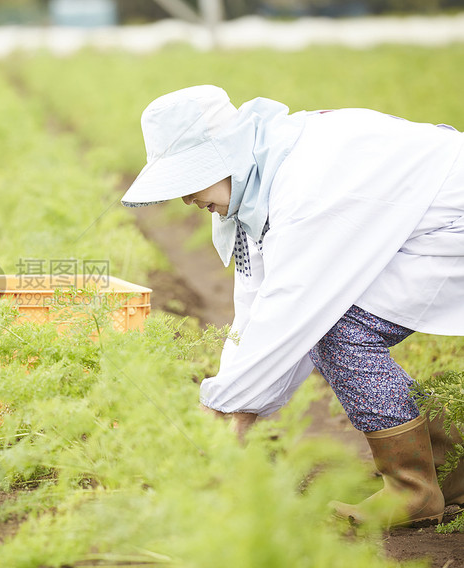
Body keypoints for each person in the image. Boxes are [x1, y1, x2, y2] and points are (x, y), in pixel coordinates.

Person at [121, 85, 464, 527]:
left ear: (224, 158)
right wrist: (229, 403)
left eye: (189, 181)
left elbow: (293, 311)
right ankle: (448, 463)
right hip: (427, 229)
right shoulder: (259, 181)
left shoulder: (303, 181)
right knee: (322, 327)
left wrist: (231, 409)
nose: (186, 199)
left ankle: (412, 488)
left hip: (452, 225)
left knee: (333, 330)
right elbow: (255, 310)